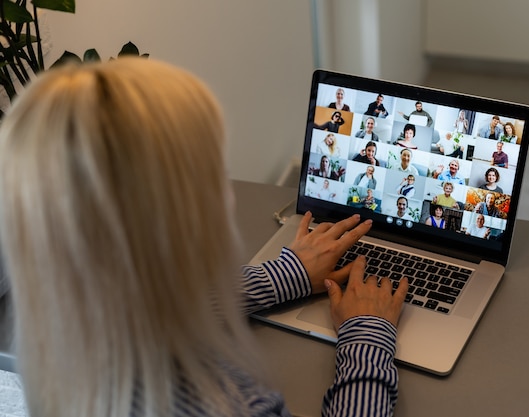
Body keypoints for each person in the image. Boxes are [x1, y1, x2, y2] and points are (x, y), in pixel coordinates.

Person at [0, 58, 409, 417]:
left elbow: (151, 312)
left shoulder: (58, 334)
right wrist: (367, 334)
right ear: (171, 224)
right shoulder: (234, 407)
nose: (230, 194)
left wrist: (290, 273)